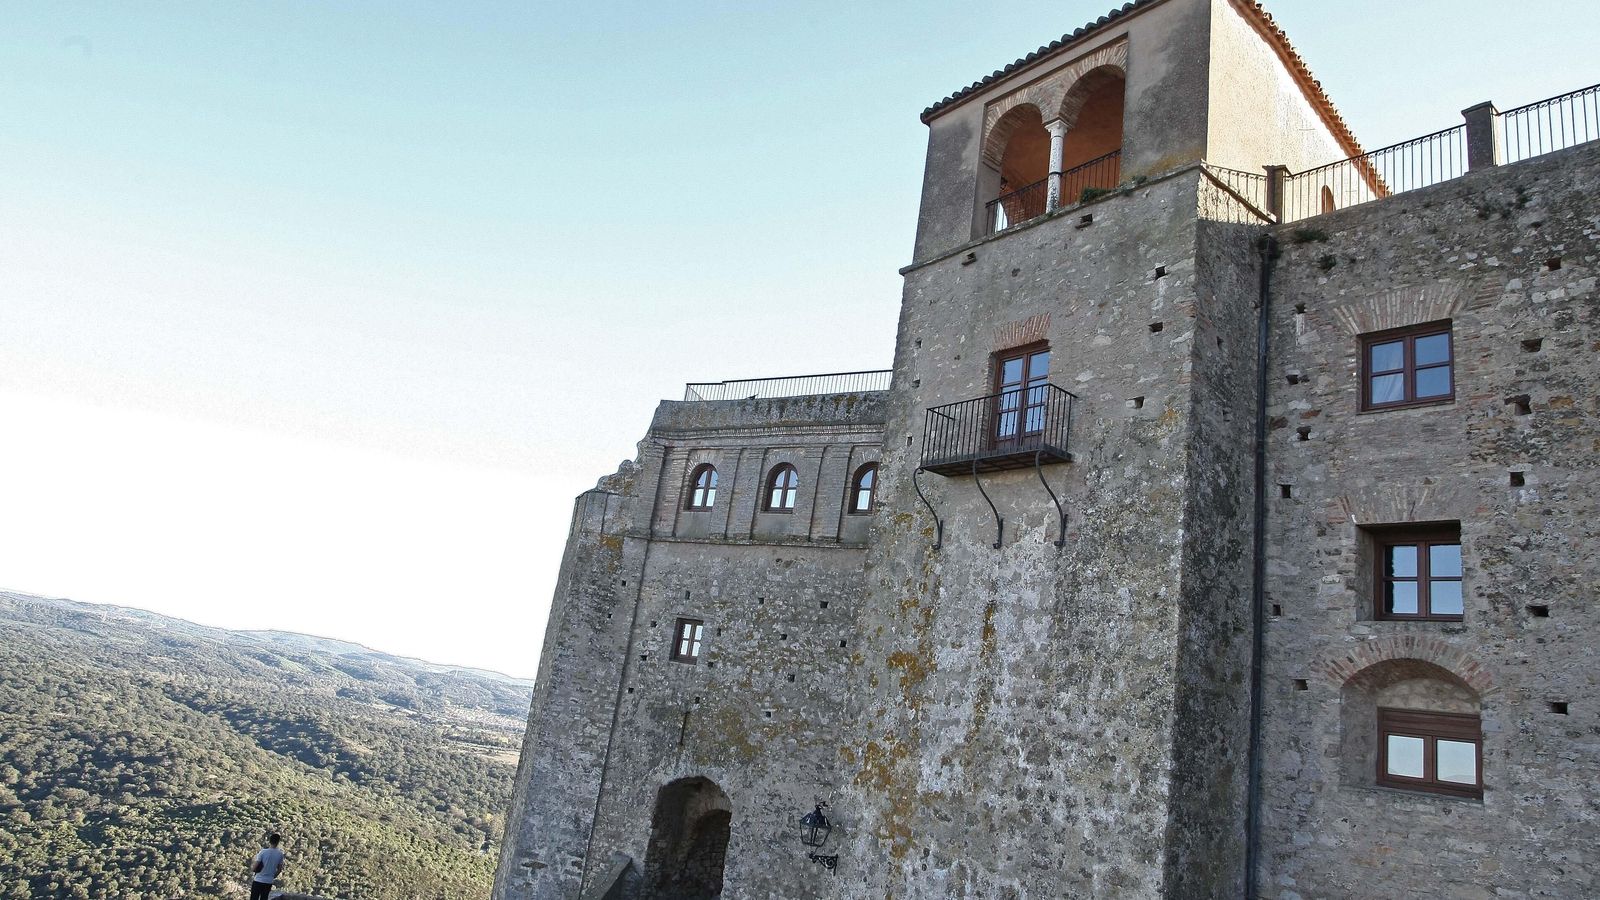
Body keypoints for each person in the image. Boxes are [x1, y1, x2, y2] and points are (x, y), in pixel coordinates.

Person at [250, 832, 287, 900]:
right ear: (278, 842)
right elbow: (279, 869)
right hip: (268, 881)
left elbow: (255, 867)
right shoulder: (280, 854)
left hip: (258, 880)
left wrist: (252, 867)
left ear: (269, 841)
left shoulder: (263, 852)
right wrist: (273, 876)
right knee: (264, 898)